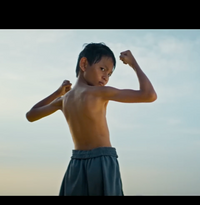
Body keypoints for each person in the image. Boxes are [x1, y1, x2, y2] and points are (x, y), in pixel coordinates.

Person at [26, 43, 157, 196]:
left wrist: (58, 92)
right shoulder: (100, 93)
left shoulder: (63, 100)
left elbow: (31, 115)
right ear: (84, 64)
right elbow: (149, 95)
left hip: (76, 165)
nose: (105, 77)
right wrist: (134, 64)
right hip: (101, 161)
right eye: (102, 69)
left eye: (109, 74)